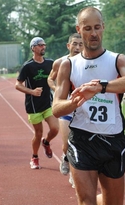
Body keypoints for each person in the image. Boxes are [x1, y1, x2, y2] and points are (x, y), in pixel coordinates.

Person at [52, 7, 125, 205]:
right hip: (82, 142)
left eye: (96, 27)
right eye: (87, 28)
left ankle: (101, 204)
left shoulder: (117, 60)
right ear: (79, 30)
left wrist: (100, 87)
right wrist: (74, 102)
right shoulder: (68, 65)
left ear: (103, 27)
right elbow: (57, 107)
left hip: (112, 142)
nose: (92, 33)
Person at [15, 37, 59, 169]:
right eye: (40, 45)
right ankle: (34, 157)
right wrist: (32, 92)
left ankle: (46, 142)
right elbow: (17, 85)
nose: (43, 47)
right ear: (33, 48)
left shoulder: (50, 63)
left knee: (55, 129)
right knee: (38, 133)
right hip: (33, 106)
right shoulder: (27, 66)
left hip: (47, 103)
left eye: (44, 45)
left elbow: (57, 77)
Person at [48, 33, 83, 188]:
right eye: (75, 44)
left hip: (83, 109)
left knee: (81, 146)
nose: (77, 47)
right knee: (66, 145)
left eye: (81, 44)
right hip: (65, 109)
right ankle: (66, 157)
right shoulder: (60, 62)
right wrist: (58, 90)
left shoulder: (89, 62)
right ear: (68, 45)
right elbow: (50, 78)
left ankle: (76, 176)